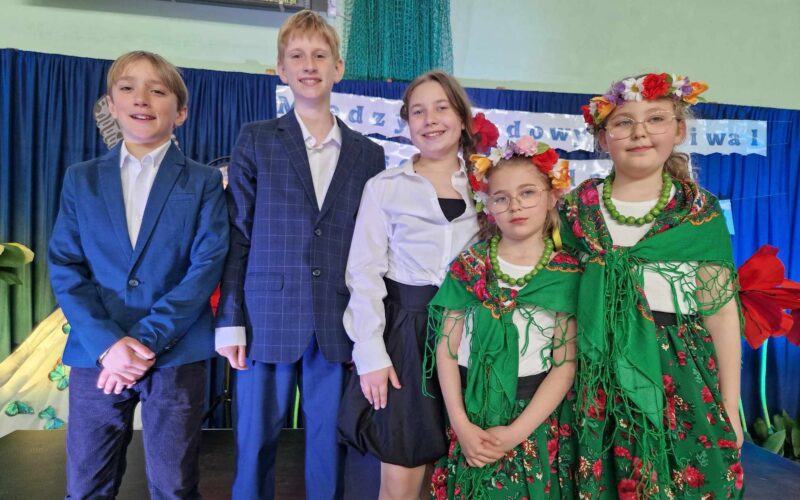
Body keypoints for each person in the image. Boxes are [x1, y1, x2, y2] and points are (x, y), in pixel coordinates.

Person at [213, 10, 385, 499]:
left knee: (330, 450)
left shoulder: (368, 154)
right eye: (297, 56)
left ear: (338, 68)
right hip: (265, 317)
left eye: (320, 55)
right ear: (282, 69)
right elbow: (238, 234)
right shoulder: (256, 139)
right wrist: (230, 320)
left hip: (337, 321)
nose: (309, 65)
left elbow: (372, 246)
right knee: (253, 447)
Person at [48, 50, 229, 498]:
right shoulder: (81, 179)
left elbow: (205, 267)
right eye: (128, 88)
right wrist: (108, 345)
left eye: (158, 90)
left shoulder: (203, 181)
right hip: (97, 354)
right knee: (86, 485)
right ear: (111, 104)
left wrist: (145, 342)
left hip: (175, 352)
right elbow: (66, 265)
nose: (142, 98)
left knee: (174, 486)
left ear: (181, 112)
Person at [564, 73, 745, 498]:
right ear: (603, 138)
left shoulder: (697, 211)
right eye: (623, 122)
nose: (640, 132)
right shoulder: (576, 209)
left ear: (679, 130)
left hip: (678, 372)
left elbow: (720, 313)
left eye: (656, 119)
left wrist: (730, 405)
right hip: (595, 372)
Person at [337, 70, 483, 499]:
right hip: (405, 336)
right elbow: (363, 272)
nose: (430, 119)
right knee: (402, 469)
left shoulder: (488, 185)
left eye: (441, 108)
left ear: (462, 118)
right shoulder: (385, 187)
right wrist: (370, 352)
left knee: (465, 466)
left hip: (473, 333)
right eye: (418, 111)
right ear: (407, 122)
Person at [424, 137, 579, 498]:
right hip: (471, 408)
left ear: (552, 196)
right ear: (487, 205)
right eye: (501, 198)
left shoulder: (565, 273)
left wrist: (515, 433)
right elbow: (446, 351)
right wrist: (460, 424)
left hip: (532, 417)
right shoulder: (469, 265)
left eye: (528, 193)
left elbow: (564, 366)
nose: (515, 206)